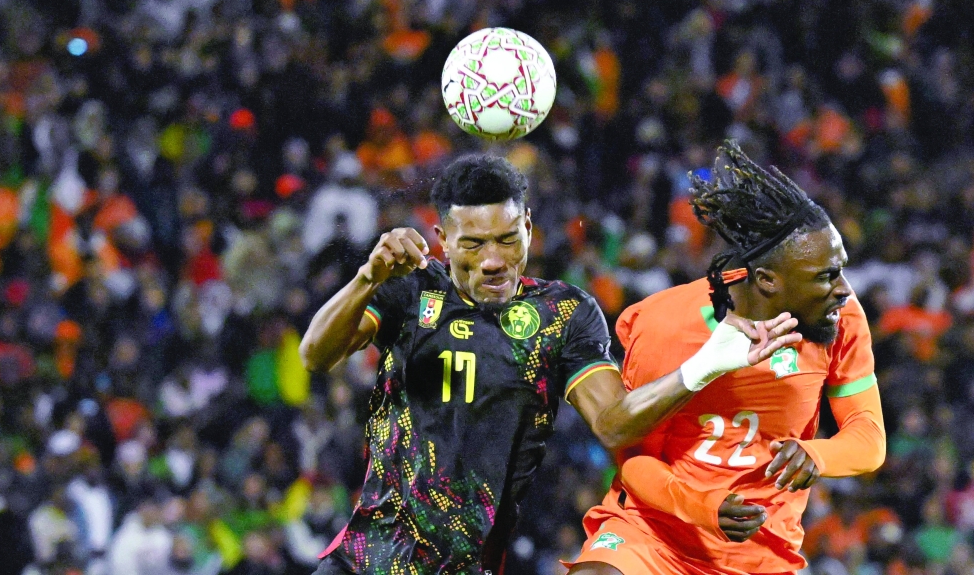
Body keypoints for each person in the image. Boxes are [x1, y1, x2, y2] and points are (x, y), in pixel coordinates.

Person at [300, 154, 801, 574]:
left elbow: (612, 423)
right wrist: (366, 277)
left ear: (530, 228)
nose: (493, 260)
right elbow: (316, 356)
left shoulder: (563, 314)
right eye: (473, 245)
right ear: (443, 239)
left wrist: (703, 366)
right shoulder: (410, 286)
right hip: (365, 559)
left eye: (508, 239)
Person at [568, 141, 886, 575]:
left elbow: (869, 438)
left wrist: (817, 454)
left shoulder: (840, 319)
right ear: (768, 281)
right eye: (826, 276)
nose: (845, 289)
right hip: (654, 534)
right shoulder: (667, 324)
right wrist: (701, 505)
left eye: (842, 268)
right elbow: (634, 459)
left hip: (760, 552)